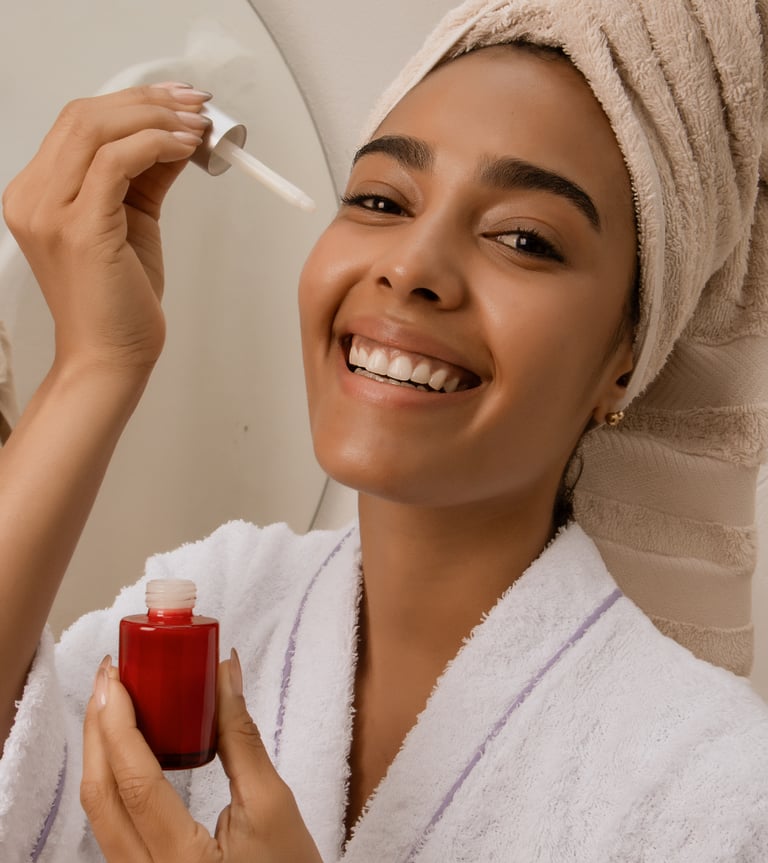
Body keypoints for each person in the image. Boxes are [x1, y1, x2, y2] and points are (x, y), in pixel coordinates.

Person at [1, 0, 767, 860]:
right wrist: (95, 364)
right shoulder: (213, 603)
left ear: (626, 357)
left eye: (523, 238)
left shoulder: (719, 793)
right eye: (378, 198)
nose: (410, 266)